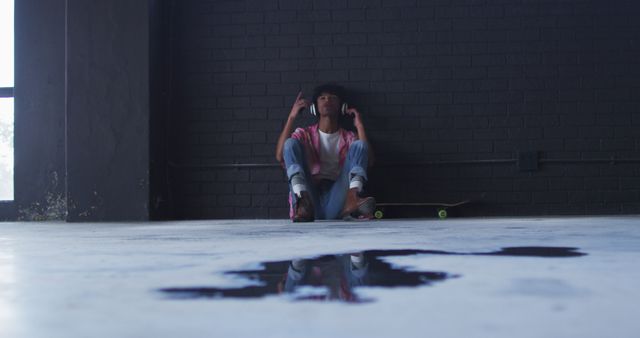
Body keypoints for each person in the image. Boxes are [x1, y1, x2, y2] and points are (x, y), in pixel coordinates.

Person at [275, 84, 375, 222]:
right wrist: (291, 117)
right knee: (290, 143)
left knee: (359, 145)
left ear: (342, 106)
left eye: (333, 98)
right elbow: (281, 155)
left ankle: (353, 198)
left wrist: (360, 126)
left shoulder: (349, 138)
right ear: (314, 108)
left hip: (336, 199)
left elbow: (368, 160)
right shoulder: (305, 134)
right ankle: (301, 200)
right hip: (309, 199)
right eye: (322, 98)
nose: (327, 100)